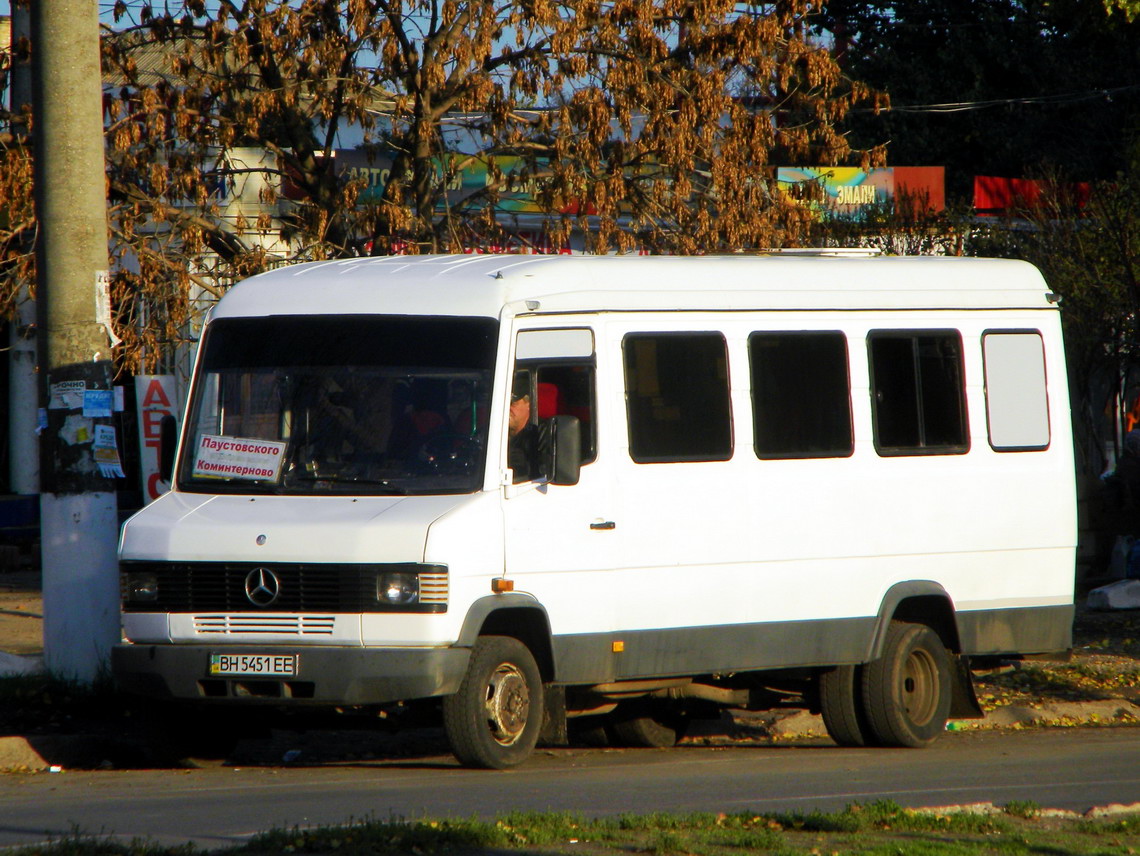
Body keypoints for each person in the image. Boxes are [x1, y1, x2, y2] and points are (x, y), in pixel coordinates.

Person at [508, 378, 540, 483]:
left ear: (529, 405)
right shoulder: (488, 436)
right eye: (503, 403)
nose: (506, 408)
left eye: (512, 402)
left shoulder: (539, 438)